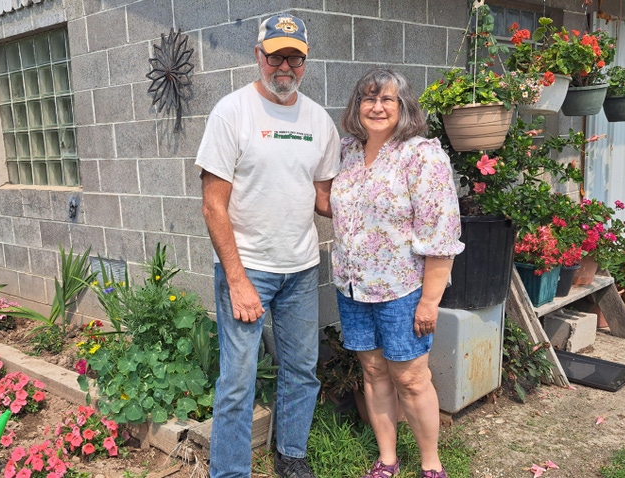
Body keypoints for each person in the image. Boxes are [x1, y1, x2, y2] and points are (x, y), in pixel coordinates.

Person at [194, 13, 341, 478]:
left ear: (305, 62)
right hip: (248, 270)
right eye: (276, 55)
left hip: (300, 268)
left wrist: (373, 204)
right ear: (258, 55)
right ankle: (231, 472)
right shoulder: (232, 112)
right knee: (237, 382)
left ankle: (291, 455)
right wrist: (236, 280)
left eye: (294, 57)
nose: (285, 66)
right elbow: (213, 206)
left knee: (302, 370)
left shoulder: (318, 120)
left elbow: (323, 199)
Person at [330, 68, 464, 478]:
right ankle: (387, 459)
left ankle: (431, 464)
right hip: (352, 285)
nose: (376, 107)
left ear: (404, 107)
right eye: (368, 99)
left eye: (387, 99)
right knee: (372, 372)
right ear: (357, 107)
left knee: (411, 378)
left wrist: (429, 301)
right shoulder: (347, 151)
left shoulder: (420, 155)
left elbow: (441, 232)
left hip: (401, 290)